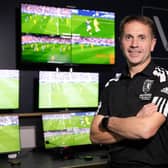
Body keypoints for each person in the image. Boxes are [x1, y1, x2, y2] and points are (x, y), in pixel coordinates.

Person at [90, 15, 168, 168]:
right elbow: (95, 135)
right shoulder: (111, 85)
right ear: (120, 42)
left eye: (141, 38)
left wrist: (107, 122)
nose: (134, 44)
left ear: (152, 44)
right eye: (128, 37)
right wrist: (134, 122)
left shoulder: (164, 79)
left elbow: (145, 130)